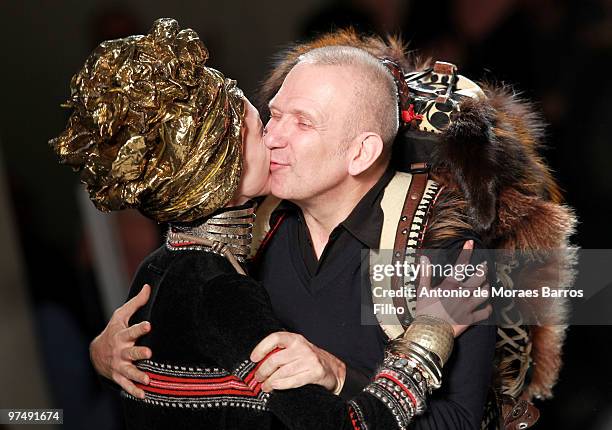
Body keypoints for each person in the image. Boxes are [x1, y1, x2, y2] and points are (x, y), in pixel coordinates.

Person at [52, 19, 492, 430]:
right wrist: (105, 357)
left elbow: (463, 420)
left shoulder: (446, 241)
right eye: (274, 114)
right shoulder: (251, 234)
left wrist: (340, 376)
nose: (272, 135)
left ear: (361, 152)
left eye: (303, 123)